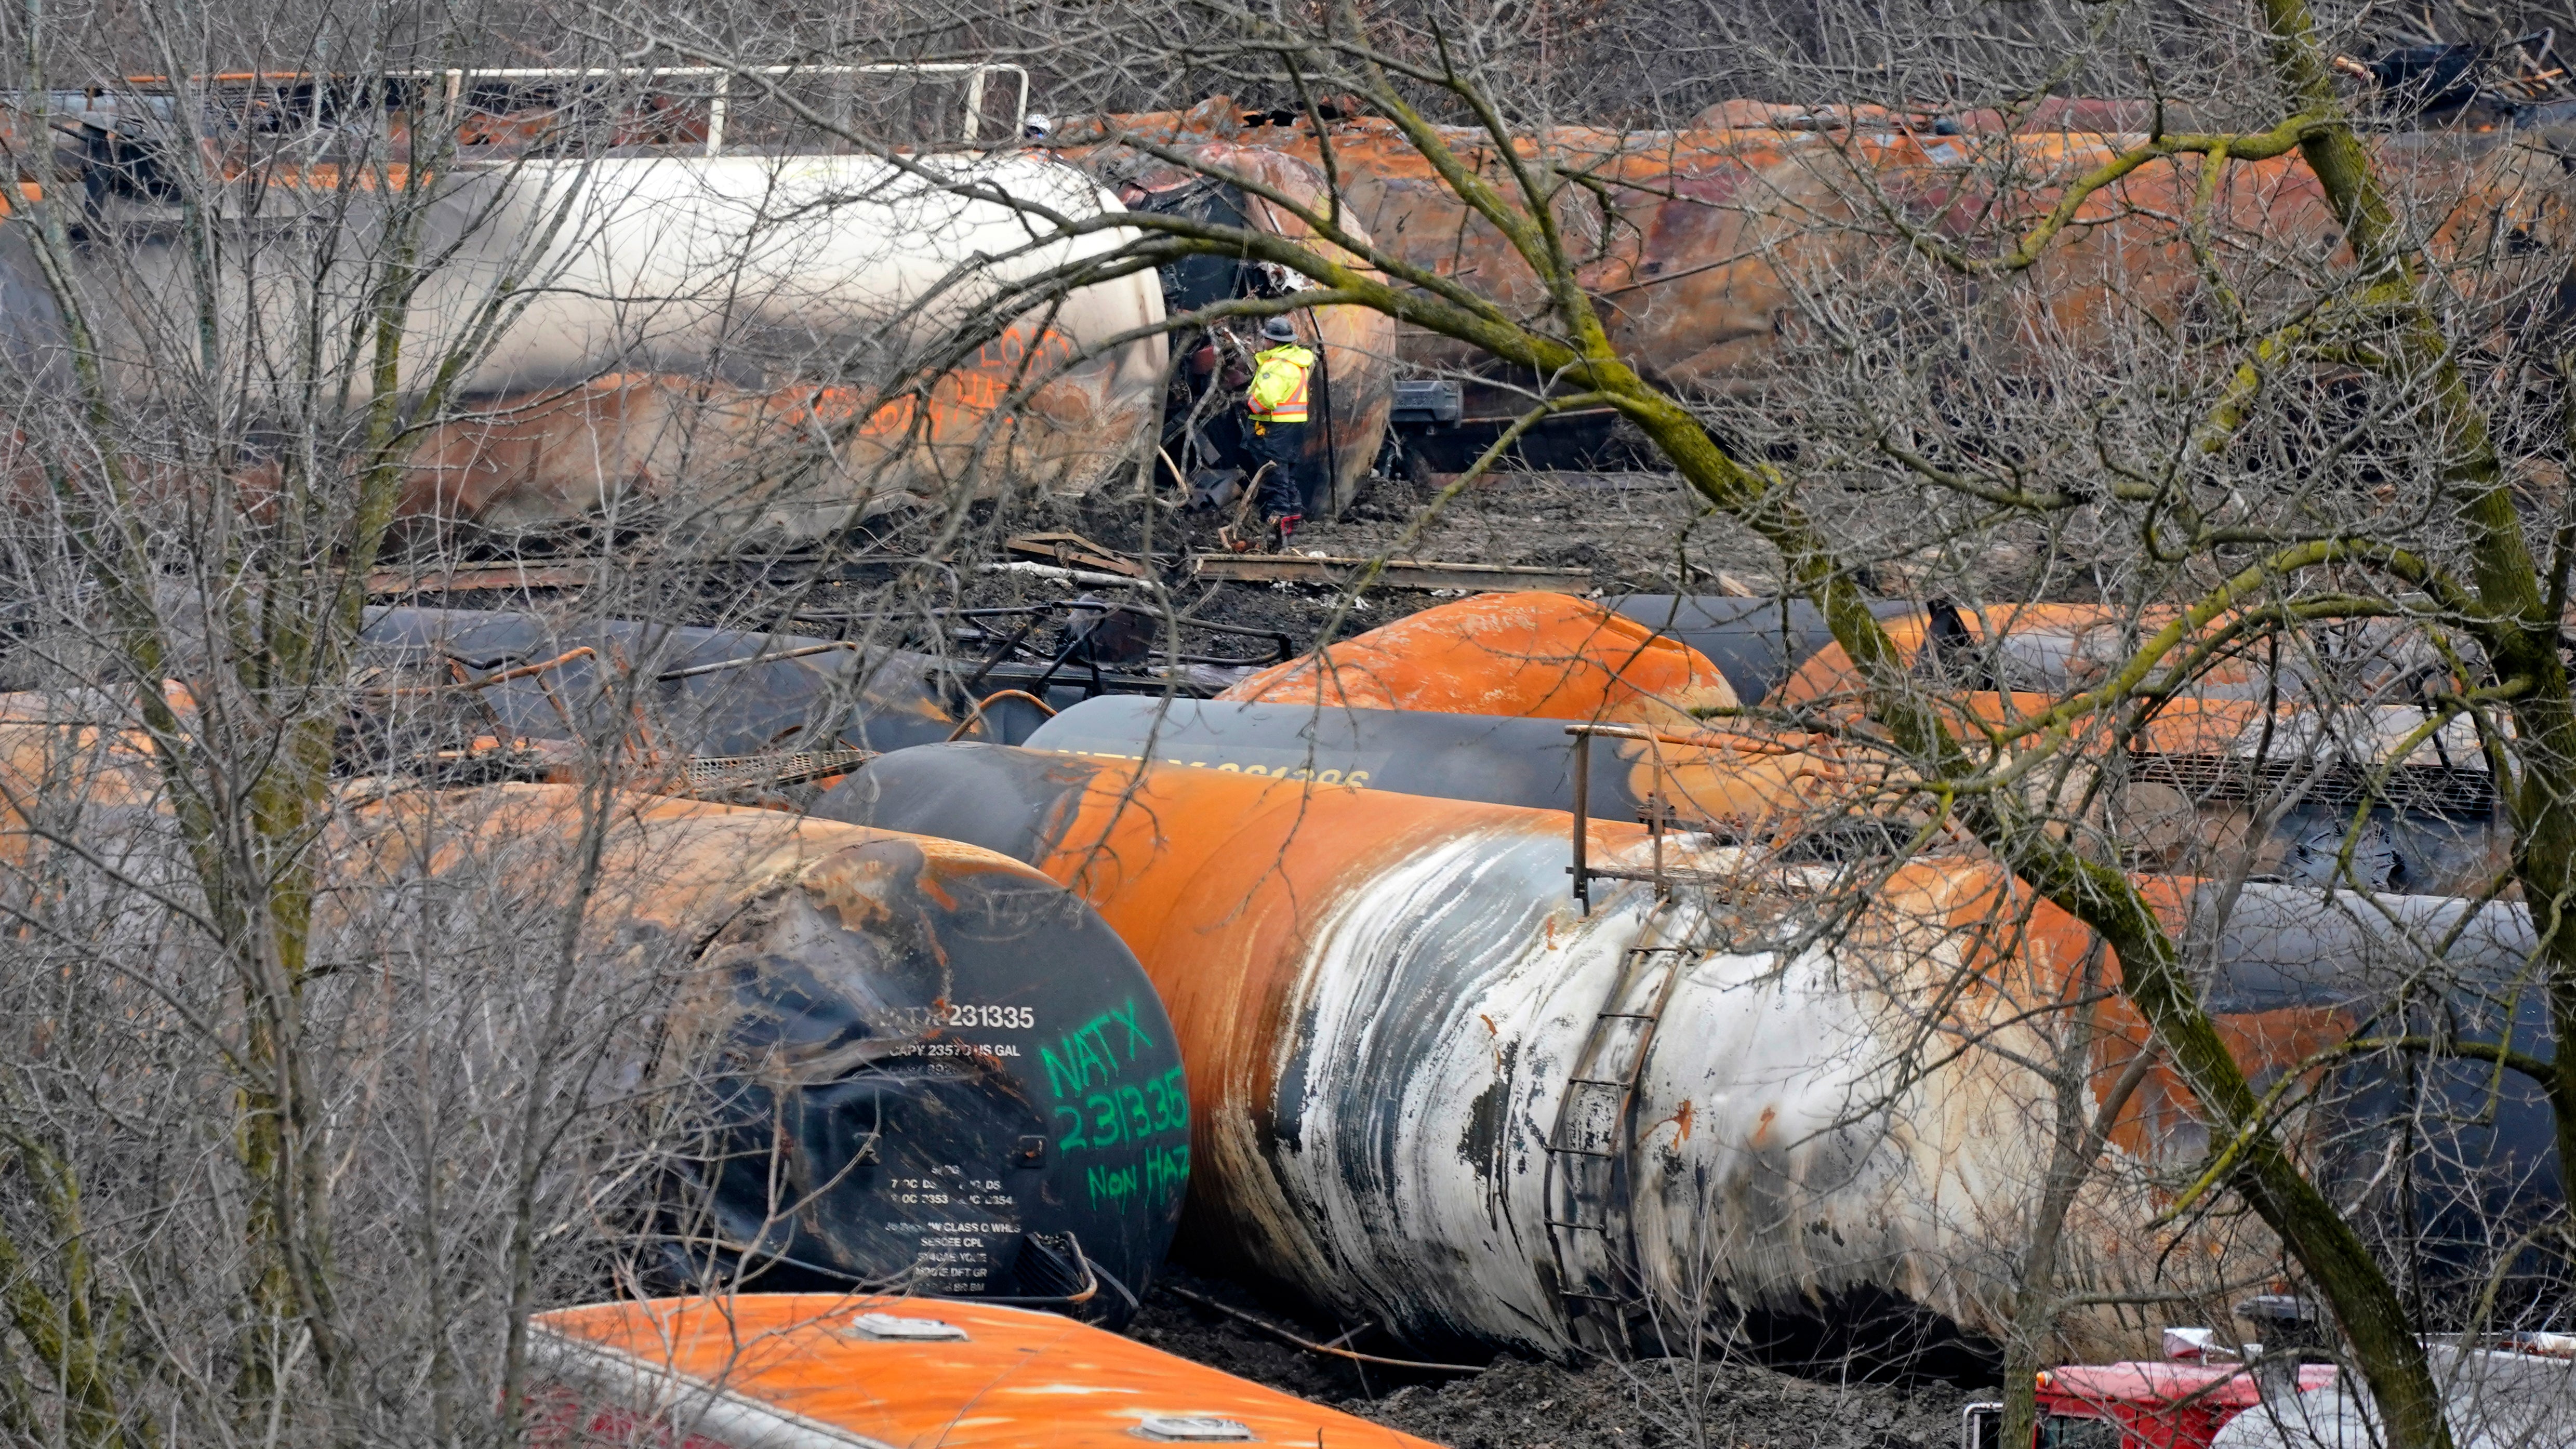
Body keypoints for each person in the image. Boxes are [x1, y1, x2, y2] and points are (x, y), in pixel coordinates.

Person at [1241, 316, 1319, 542]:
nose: (1263, 341)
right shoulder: (1297, 362)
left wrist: (1247, 404)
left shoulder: (1275, 367)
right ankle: (1292, 520)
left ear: (1273, 342)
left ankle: (1277, 525)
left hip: (1274, 425)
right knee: (1286, 474)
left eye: (1266, 338)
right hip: (1294, 425)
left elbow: (1266, 398)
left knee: (1272, 474)